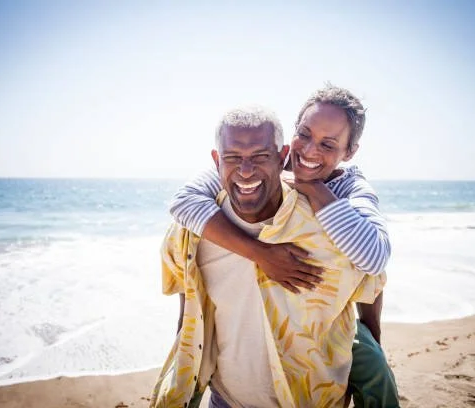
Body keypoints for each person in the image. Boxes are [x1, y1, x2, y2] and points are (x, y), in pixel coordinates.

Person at [169, 85, 397, 406]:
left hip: (332, 317)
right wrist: (261, 254)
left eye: (328, 144)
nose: (311, 151)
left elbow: (373, 259)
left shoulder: (349, 187)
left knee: (373, 366)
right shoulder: (268, 162)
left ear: (349, 152)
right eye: (305, 134)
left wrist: (314, 189)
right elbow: (183, 203)